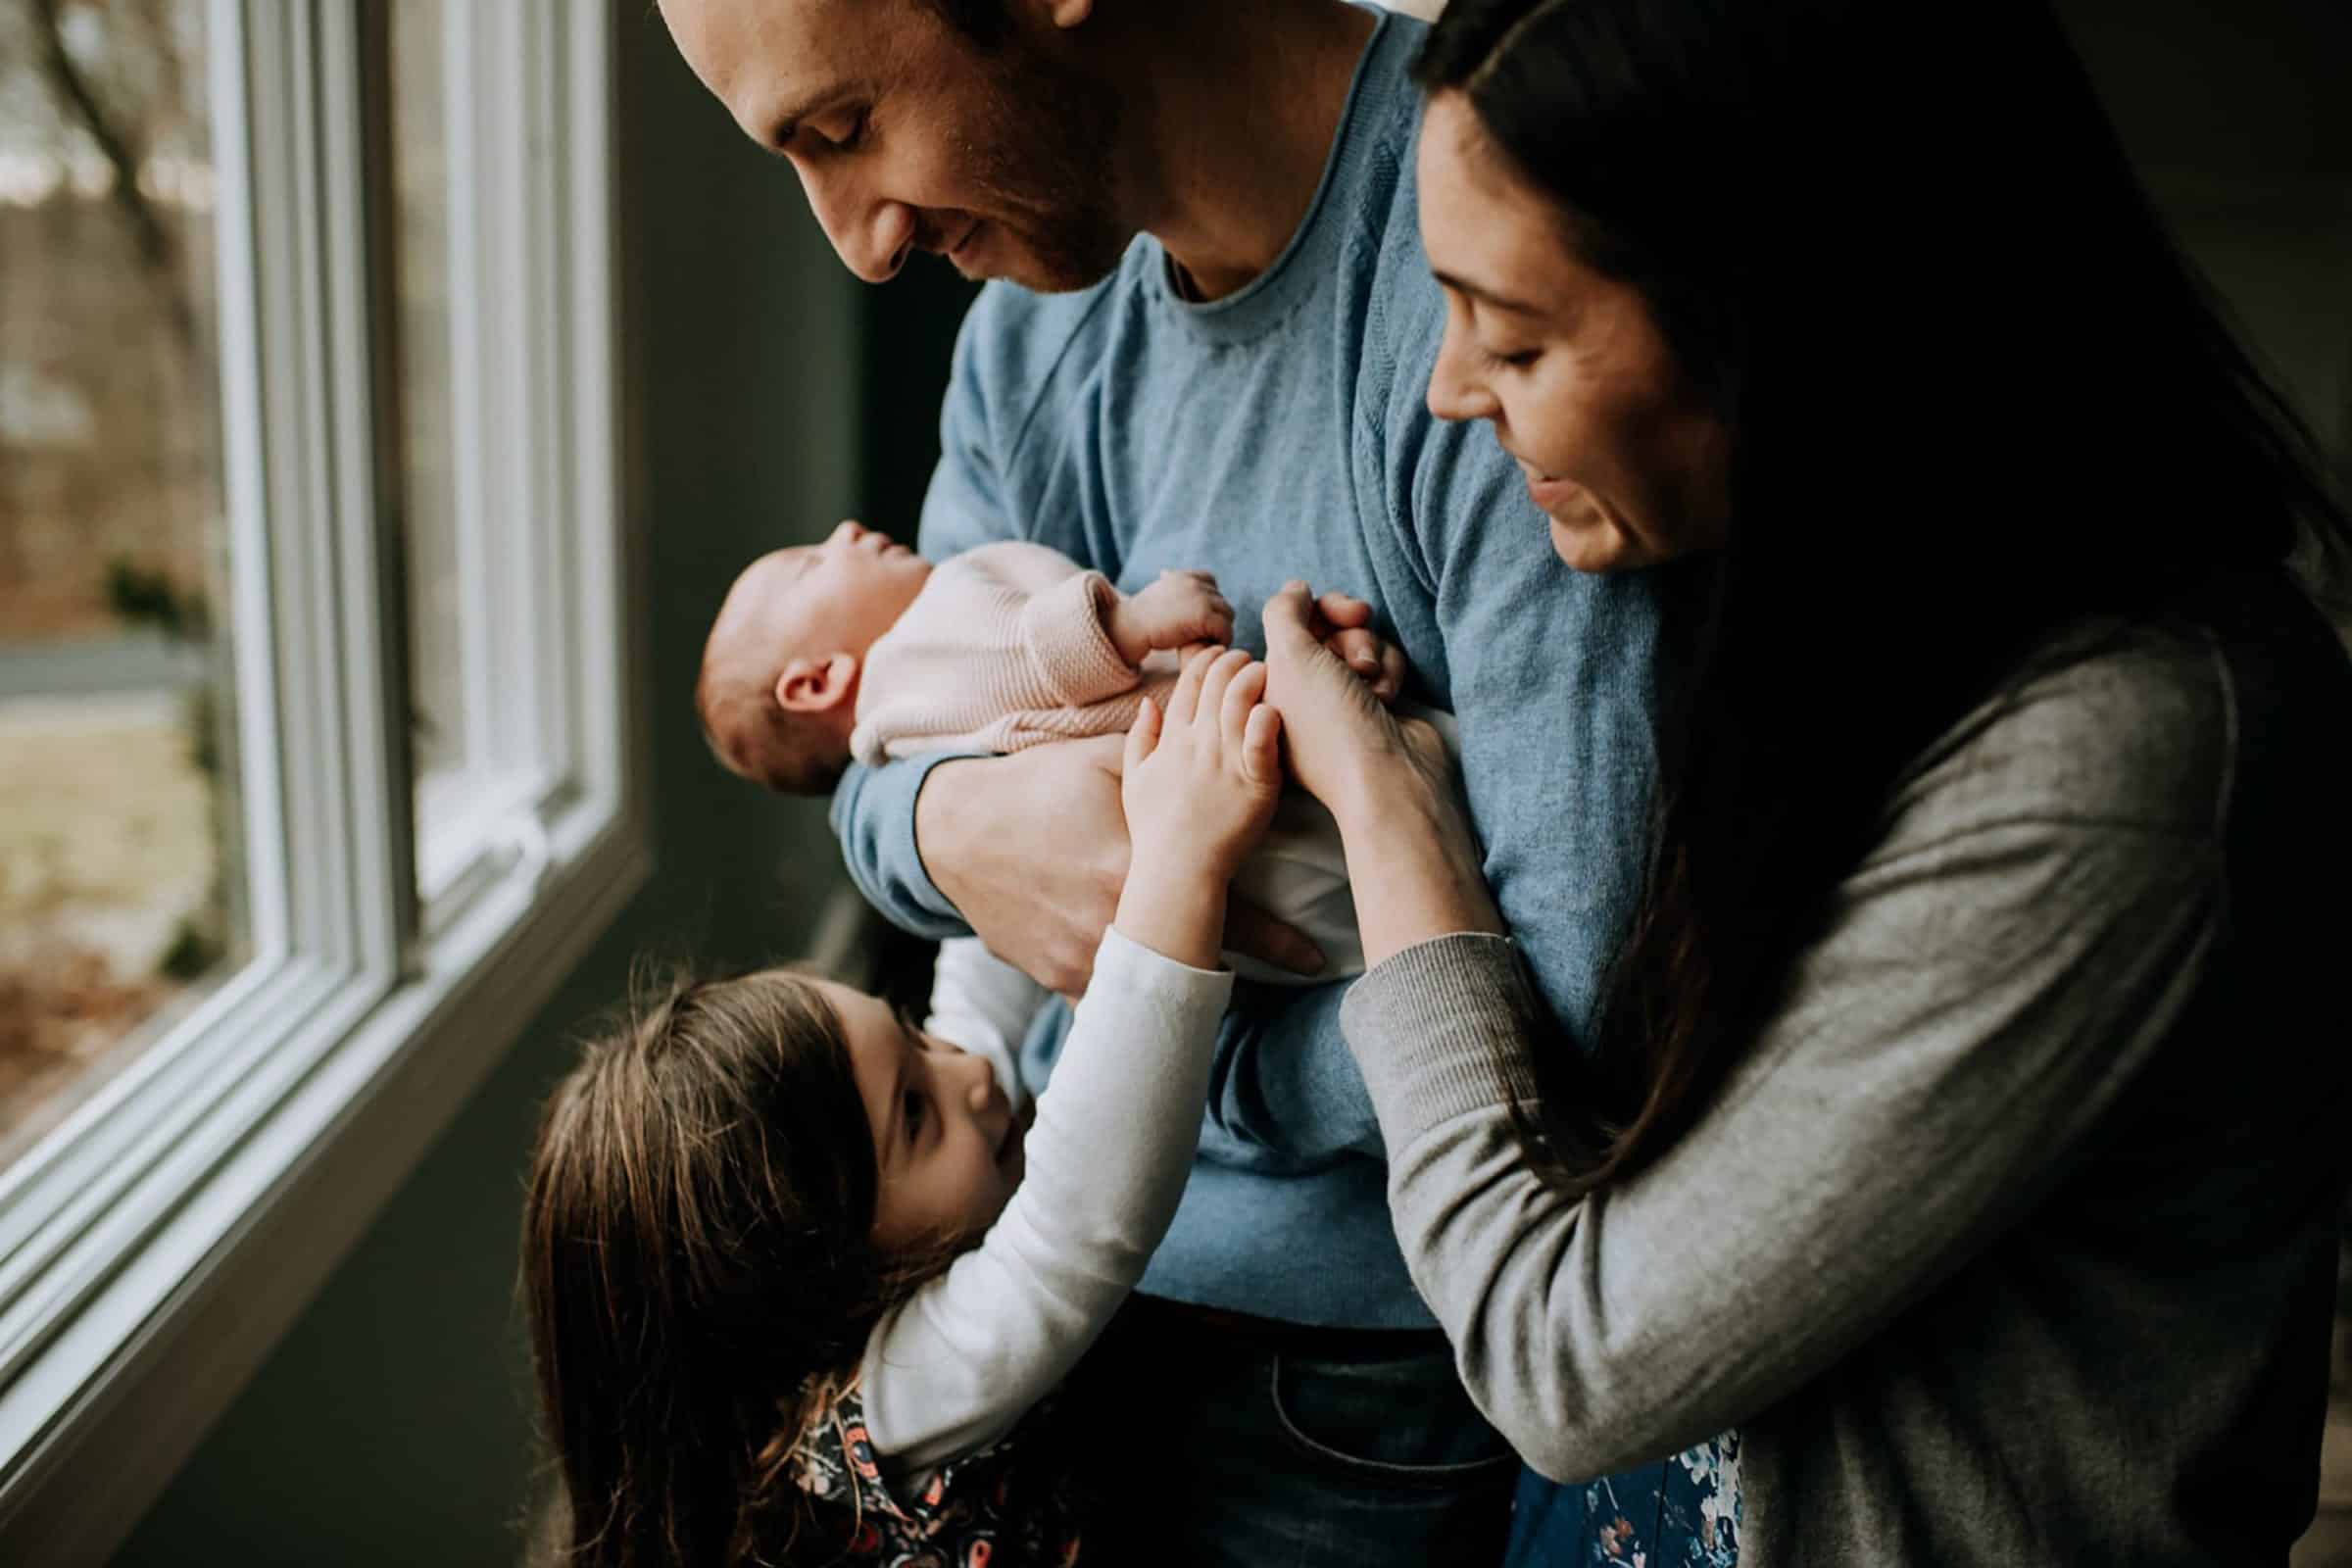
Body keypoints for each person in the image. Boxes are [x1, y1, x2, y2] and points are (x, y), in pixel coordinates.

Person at [1257, 0, 2352, 1562]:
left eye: (1515, 335)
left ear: (1783, 318)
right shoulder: (1787, 608)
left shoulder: (2122, 757)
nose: (1449, 390)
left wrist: (1388, 818)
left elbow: (1568, 1362)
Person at [654, 0, 1696, 1557]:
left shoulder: (1493, 292)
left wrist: (1167, 1031)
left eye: (843, 129)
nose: (859, 245)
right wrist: (952, 824)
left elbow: (1572, 1009)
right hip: (1040, 1277)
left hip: (1343, 1369)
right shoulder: (1033, 333)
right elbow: (882, 725)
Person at [526, 648, 1290, 1565]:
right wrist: (1180, 857)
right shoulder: (888, 1401)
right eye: (917, 1116)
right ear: (832, 1283)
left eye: (908, 1034)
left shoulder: (919, 1159)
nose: (967, 1074)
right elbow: (1076, 1232)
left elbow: (973, 1014)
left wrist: (1008, 790)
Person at [697, 519, 1419, 979]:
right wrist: (1133, 622)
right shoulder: (909, 658)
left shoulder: (912, 724)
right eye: (811, 564)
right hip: (1233, 789)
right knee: (1404, 813)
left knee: (1365, 919)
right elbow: (1020, 655)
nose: (846, 530)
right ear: (816, 682)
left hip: (1220, 873)